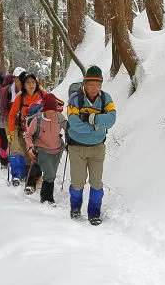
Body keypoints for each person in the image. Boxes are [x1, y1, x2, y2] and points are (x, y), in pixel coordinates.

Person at [66, 66, 116, 225]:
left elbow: (111, 120)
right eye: (91, 85)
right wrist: (96, 127)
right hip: (77, 148)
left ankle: (94, 213)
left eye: (98, 85)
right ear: (85, 84)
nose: (95, 89)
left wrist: (90, 119)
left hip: (97, 148)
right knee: (78, 182)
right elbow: (74, 123)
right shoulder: (75, 99)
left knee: (96, 182)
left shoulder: (106, 99)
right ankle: (75, 207)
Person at [7, 72, 47, 186]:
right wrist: (11, 131)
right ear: (23, 85)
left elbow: (55, 105)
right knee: (27, 154)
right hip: (25, 130)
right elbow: (12, 115)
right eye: (28, 82)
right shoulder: (20, 97)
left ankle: (35, 176)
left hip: (40, 130)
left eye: (33, 82)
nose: (31, 85)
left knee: (38, 154)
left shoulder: (42, 94)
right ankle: (30, 175)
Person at [25, 93, 65, 204]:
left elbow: (68, 129)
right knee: (50, 174)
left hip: (57, 150)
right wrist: (30, 147)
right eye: (49, 111)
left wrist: (71, 140)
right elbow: (28, 135)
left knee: (51, 175)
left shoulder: (60, 117)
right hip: (42, 150)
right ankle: (47, 198)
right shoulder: (38, 119)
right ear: (44, 110)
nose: (51, 114)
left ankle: (46, 196)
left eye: (53, 111)